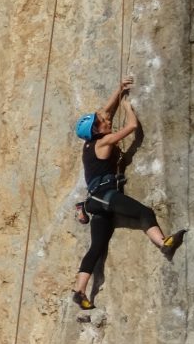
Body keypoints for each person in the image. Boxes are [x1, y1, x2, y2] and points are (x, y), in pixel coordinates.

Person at [71, 76, 181, 310]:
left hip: (95, 202)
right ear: (97, 129)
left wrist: (118, 90)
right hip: (105, 197)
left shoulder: (90, 143)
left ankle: (79, 290)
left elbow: (103, 111)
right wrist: (127, 107)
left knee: (97, 247)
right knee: (144, 212)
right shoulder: (105, 141)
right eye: (103, 121)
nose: (107, 119)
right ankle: (163, 242)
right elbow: (131, 127)